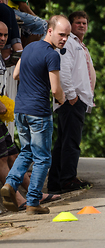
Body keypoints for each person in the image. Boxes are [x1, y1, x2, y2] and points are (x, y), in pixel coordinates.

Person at [0, 15, 69, 214]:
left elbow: (15, 74)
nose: (64, 39)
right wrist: (63, 101)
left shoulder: (28, 48)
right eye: (61, 34)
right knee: (42, 158)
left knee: (27, 151)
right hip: (38, 112)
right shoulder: (52, 55)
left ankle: (10, 185)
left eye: (67, 36)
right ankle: (33, 202)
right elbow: (56, 89)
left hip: (21, 110)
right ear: (50, 30)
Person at [47, 11, 95, 194]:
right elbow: (64, 70)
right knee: (71, 142)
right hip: (71, 100)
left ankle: (56, 181)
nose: (82, 25)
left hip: (79, 99)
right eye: (78, 23)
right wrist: (72, 95)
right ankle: (67, 179)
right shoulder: (69, 44)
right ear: (70, 25)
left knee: (64, 141)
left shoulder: (80, 45)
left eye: (84, 22)